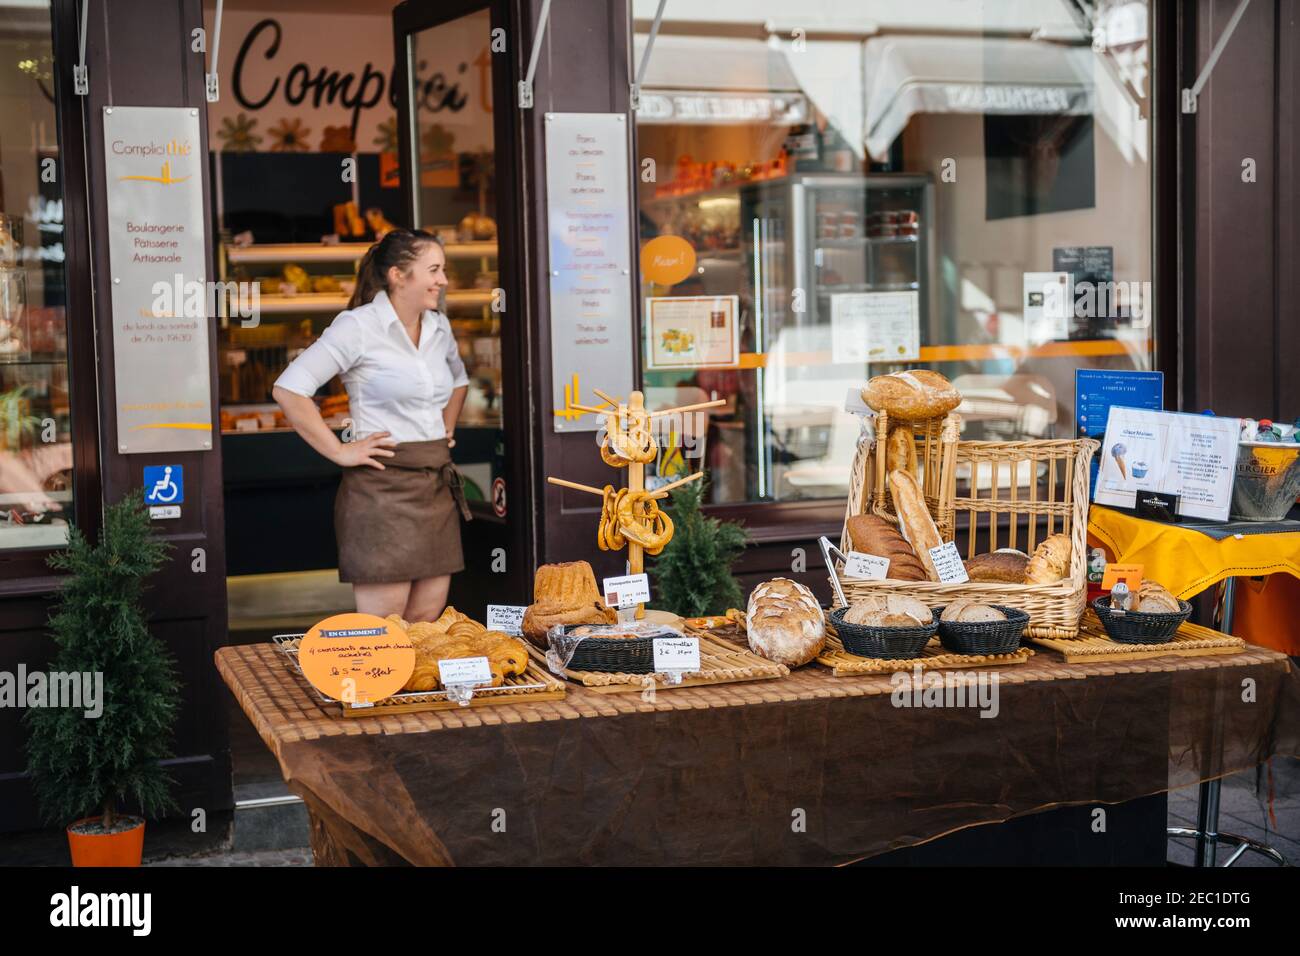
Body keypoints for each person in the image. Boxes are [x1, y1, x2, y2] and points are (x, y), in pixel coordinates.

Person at [272, 228, 471, 622]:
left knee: (427, 627)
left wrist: (444, 429)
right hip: (381, 491)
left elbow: (459, 380)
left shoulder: (438, 326)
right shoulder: (357, 326)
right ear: (399, 275)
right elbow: (289, 389)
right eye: (434, 270)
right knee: (386, 634)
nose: (443, 280)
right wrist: (339, 450)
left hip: (435, 485)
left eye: (442, 270)